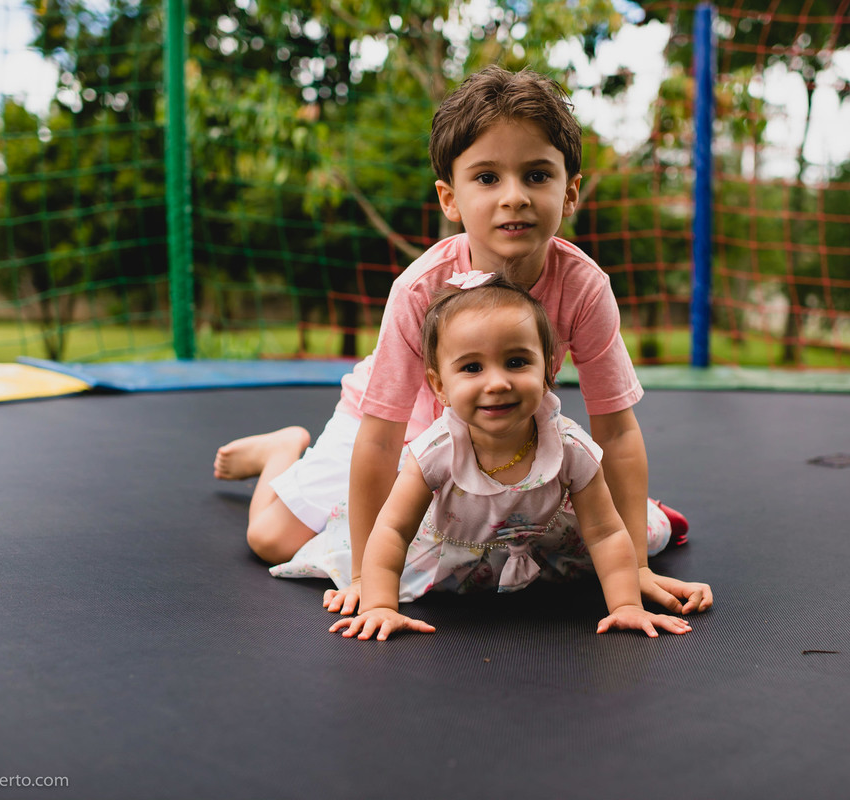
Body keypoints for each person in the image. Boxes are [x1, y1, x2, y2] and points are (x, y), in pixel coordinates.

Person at [214, 66, 712, 617]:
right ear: (450, 198)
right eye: (487, 178)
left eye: (537, 176)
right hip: (399, 420)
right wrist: (361, 574)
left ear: (570, 191)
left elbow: (616, 432)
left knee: (623, 532)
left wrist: (636, 566)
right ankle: (282, 452)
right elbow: (379, 441)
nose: (514, 198)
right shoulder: (420, 288)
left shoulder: (584, 286)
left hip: (499, 422)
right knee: (271, 539)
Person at [288, 276, 697, 639]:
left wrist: (625, 605)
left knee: (639, 532)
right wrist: (380, 606)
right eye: (471, 367)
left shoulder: (570, 447)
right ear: (439, 386)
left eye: (517, 362)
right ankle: (281, 451)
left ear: (547, 371)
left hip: (542, 538)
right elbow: (392, 532)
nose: (498, 383)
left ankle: (651, 510)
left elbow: (607, 534)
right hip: (451, 547)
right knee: (326, 548)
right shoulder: (435, 452)